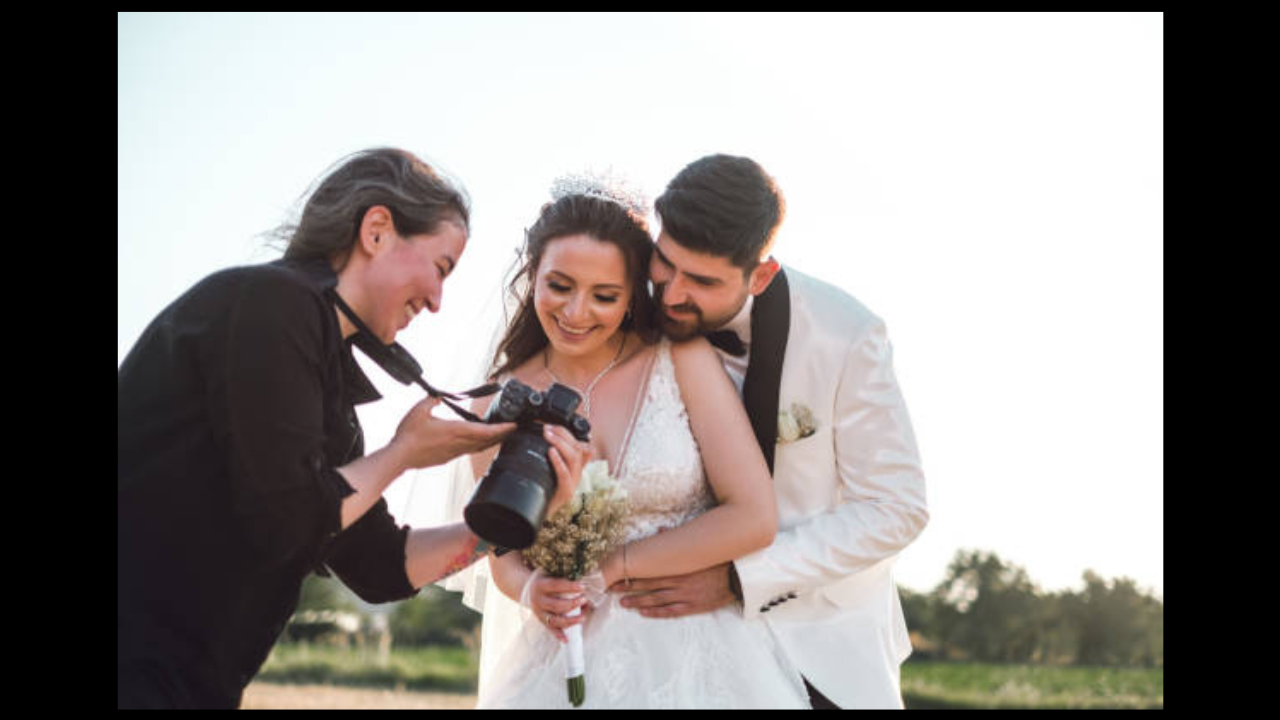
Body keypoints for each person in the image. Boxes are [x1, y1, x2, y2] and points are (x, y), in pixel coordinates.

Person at [117, 148, 587, 709]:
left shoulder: (327, 387)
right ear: (378, 230)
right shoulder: (268, 303)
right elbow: (287, 518)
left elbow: (381, 565)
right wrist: (404, 453)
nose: (438, 302)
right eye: (441, 267)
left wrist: (511, 520)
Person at [452, 173, 811, 708]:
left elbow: (753, 516)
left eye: (604, 295)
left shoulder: (679, 359)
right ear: (533, 276)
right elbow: (502, 548)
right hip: (565, 655)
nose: (576, 314)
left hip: (699, 652)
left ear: (632, 296)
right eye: (559, 286)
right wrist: (530, 590)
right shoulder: (495, 401)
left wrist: (617, 564)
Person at [612, 154, 930, 709]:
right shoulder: (619, 308)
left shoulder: (846, 334)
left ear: (761, 274)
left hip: (819, 646)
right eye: (667, 263)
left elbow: (896, 508)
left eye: (703, 281)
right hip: (656, 644)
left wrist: (739, 578)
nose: (670, 294)